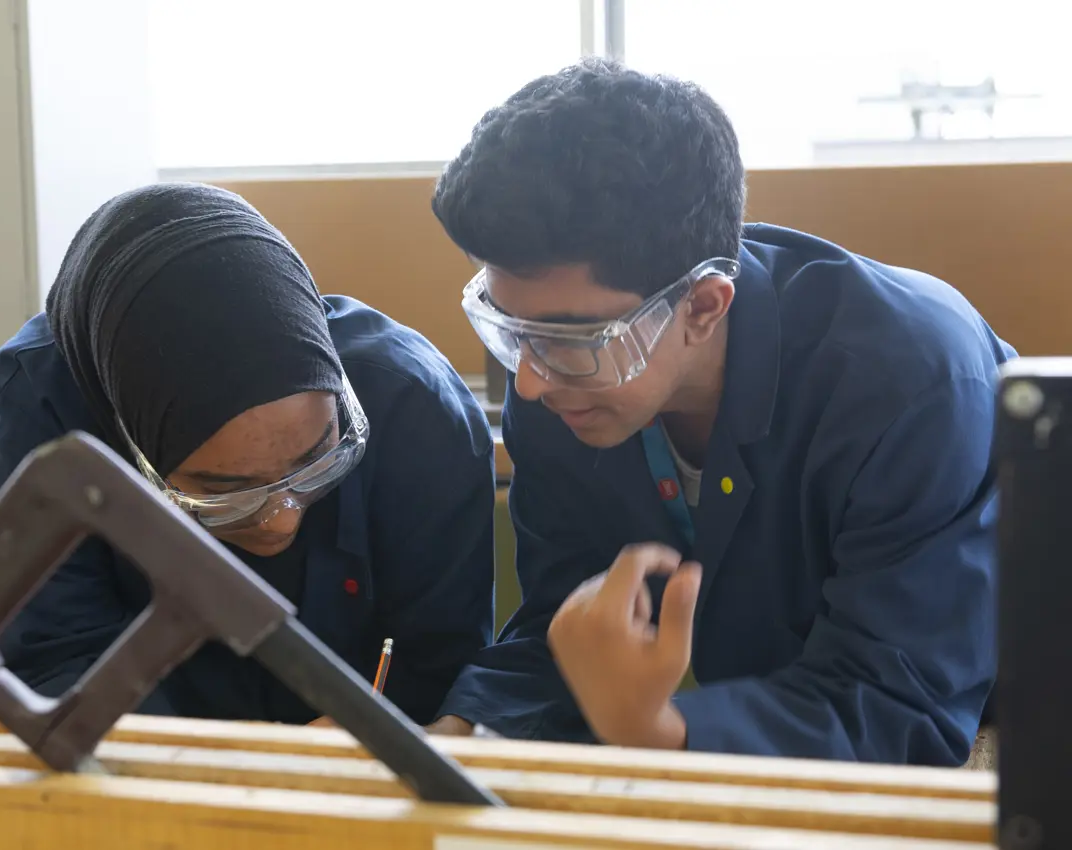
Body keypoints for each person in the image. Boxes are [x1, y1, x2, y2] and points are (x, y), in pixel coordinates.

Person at [425, 58, 1014, 766]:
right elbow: (570, 631)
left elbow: (898, 710)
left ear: (703, 306)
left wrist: (661, 731)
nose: (527, 383)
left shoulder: (913, 383)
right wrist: (452, 735)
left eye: (565, 340)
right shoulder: (565, 389)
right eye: (509, 332)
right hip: (817, 715)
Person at [0, 182, 496, 726]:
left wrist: (398, 730)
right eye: (223, 491)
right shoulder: (44, 411)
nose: (282, 522)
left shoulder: (412, 400)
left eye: (316, 460)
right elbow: (50, 664)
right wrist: (232, 764)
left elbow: (444, 657)